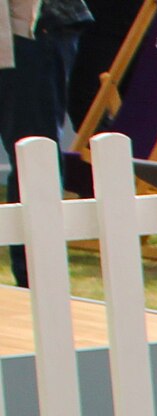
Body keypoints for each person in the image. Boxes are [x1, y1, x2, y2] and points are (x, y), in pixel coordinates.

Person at [0, 0, 80, 285]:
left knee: (35, 157)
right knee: (34, 158)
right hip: (26, 35)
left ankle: (38, 281)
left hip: (30, 31)